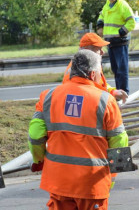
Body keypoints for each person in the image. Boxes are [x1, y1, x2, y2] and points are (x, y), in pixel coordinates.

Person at [28, 49, 128, 210]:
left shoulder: (47, 96)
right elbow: (120, 141)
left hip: (58, 181)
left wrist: (38, 160)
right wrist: (115, 174)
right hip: (92, 184)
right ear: (92, 74)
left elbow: (35, 136)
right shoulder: (106, 101)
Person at [63, 32, 128, 103]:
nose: (102, 52)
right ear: (87, 51)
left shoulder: (90, 64)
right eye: (98, 49)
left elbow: (100, 85)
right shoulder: (81, 68)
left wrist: (113, 92)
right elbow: (84, 96)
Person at [96, 0, 136, 94]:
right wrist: (100, 24)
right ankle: (119, 93)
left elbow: (132, 22)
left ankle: (124, 93)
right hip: (111, 43)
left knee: (122, 70)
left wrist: (121, 32)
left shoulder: (122, 5)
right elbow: (101, 17)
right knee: (116, 70)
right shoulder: (107, 6)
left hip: (120, 42)